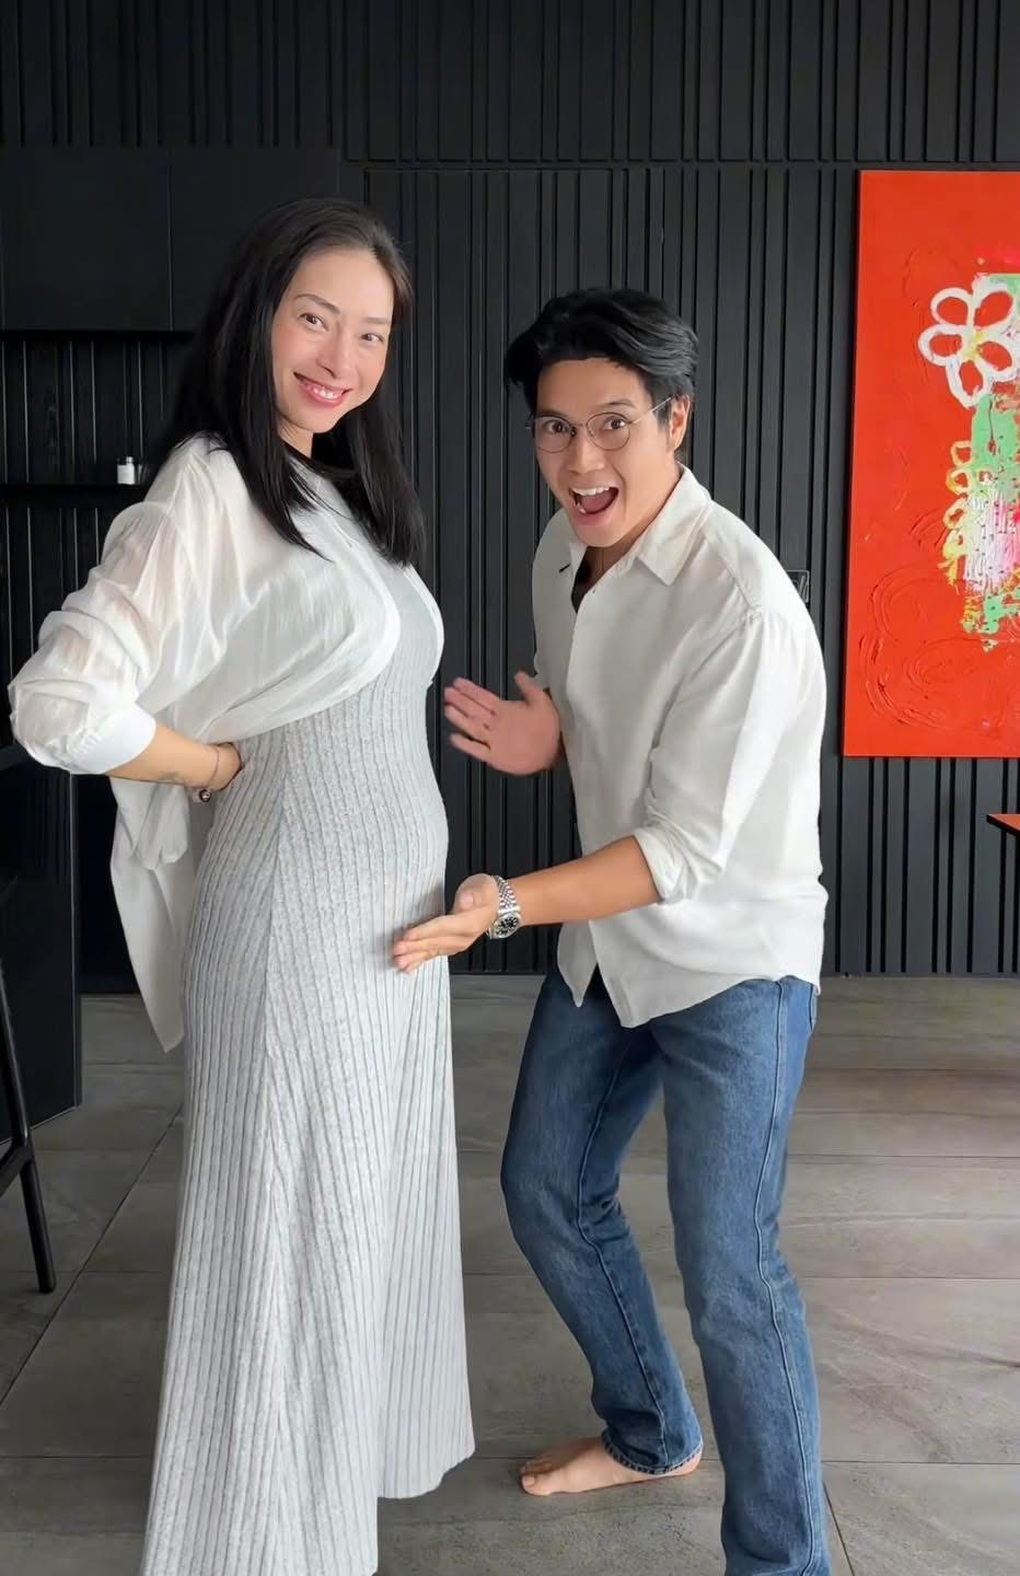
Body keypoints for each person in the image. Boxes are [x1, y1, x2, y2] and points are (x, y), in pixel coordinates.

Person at [10, 198, 473, 1576]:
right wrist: (206, 762)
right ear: (255, 315)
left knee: (357, 1207)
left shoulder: (332, 489)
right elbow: (57, 702)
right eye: (315, 318)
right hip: (294, 923)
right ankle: (260, 1530)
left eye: (372, 333)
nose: (342, 357)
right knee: (289, 1222)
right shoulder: (210, 484)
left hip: (387, 934)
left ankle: (324, 1476)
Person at [394, 287, 830, 1576]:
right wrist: (556, 743)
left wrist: (504, 904)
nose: (581, 460)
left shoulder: (740, 601)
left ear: (675, 420)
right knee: (545, 1190)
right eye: (554, 428)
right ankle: (650, 1430)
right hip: (611, 947)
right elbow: (619, 737)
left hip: (734, 961)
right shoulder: (563, 550)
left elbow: (683, 849)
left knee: (732, 1273)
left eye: (613, 425)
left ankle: (785, 1562)